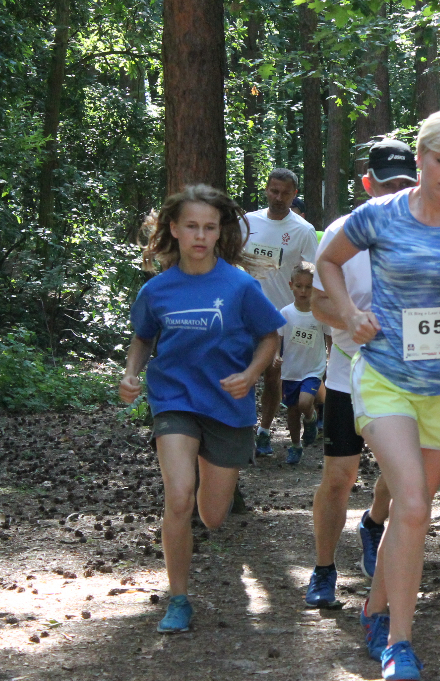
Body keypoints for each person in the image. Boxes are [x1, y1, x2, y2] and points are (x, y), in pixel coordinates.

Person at [317, 111, 440, 680]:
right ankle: (399, 644)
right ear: (421, 157)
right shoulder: (378, 215)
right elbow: (328, 261)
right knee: (417, 507)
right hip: (385, 379)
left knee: (408, 510)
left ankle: (375, 611)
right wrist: (351, 314)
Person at [118, 184, 285, 634]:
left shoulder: (240, 285)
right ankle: (178, 598)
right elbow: (143, 338)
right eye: (191, 226)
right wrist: (132, 373)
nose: (199, 235)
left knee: (213, 514)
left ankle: (210, 475)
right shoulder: (157, 290)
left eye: (209, 228)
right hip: (174, 400)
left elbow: (270, 335)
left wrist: (251, 375)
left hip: (227, 407)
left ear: (218, 234)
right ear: (173, 229)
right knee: (178, 496)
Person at [304, 139, 418, 609]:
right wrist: (352, 317)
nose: (395, 191)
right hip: (350, 373)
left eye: (404, 184)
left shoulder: (428, 231)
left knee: (399, 473)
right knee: (338, 475)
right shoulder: (342, 233)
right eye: (386, 183)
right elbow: (316, 303)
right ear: (367, 184)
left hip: (406, 375)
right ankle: (324, 570)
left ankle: (373, 523)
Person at [244, 169, 319, 458]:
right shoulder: (250, 222)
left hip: (283, 318)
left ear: (294, 194)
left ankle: (263, 432)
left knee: (274, 377)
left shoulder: (303, 230)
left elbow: (314, 274)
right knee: (245, 374)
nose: (278, 197)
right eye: (273, 190)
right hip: (248, 315)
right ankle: (247, 429)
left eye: (285, 193)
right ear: (266, 189)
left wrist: (310, 311)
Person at [278, 261, 329, 465]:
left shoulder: (319, 313)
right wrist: (275, 356)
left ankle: (310, 420)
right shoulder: (285, 313)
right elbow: (277, 339)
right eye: (299, 286)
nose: (303, 291)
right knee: (291, 411)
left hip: (313, 369)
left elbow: (329, 337)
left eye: (308, 287)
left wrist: (331, 359)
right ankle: (295, 445)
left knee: (304, 402)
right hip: (290, 370)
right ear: (291, 285)